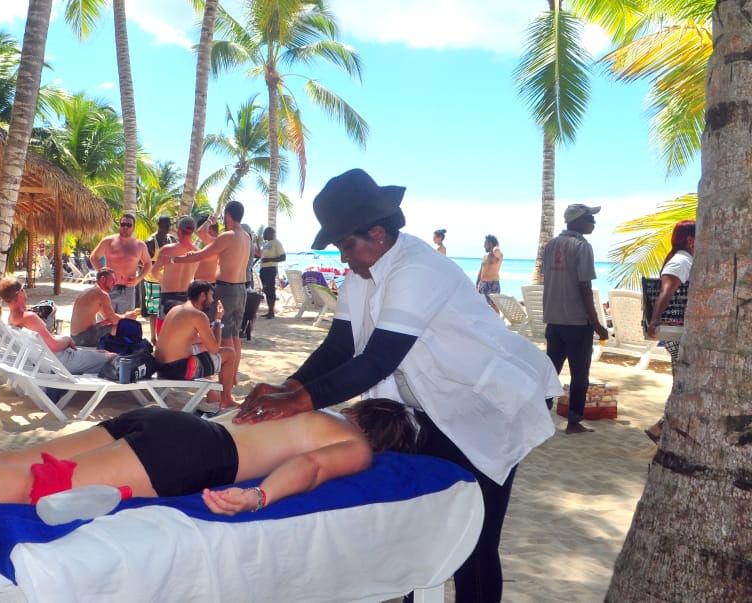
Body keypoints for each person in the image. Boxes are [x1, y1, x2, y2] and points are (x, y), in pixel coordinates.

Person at [233, 169, 560, 603]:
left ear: (377, 233)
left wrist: (296, 403)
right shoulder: (363, 274)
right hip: (435, 405)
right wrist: (286, 388)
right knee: (416, 520)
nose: (343, 258)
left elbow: (378, 360)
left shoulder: (418, 269)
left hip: (491, 404)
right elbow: (339, 346)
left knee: (475, 536)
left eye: (346, 245)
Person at [0, 394, 419, 555]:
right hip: (193, 456)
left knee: (14, 461)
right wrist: (257, 496)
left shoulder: (311, 409)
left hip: (169, 422)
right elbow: (312, 467)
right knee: (29, 487)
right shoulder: (355, 446)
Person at [172, 201, 252, 404]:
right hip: (241, 290)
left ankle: (224, 392)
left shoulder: (228, 236)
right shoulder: (246, 237)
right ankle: (231, 380)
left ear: (228, 215)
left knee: (224, 337)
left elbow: (202, 254)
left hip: (226, 289)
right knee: (234, 336)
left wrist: (176, 260)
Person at [542, 204, 610, 435]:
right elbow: (584, 287)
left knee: (550, 372)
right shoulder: (582, 246)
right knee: (580, 374)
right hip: (577, 322)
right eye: (590, 218)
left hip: (554, 320)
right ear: (578, 221)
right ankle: (573, 422)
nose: (593, 222)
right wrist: (597, 324)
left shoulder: (551, 245)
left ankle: (539, 415)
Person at [644, 220, 695, 443]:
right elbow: (666, 291)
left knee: (683, 383)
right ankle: (660, 428)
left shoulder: (683, 259)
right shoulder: (681, 261)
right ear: (691, 240)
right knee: (683, 384)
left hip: (681, 331)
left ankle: (661, 428)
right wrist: (654, 321)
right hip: (677, 333)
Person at [0, 277, 116, 374]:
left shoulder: (11, 318)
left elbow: (47, 342)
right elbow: (54, 346)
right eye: (23, 289)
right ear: (19, 293)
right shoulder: (29, 317)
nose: (25, 292)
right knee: (112, 357)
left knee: (101, 352)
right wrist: (67, 340)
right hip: (62, 362)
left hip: (47, 361)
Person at [154, 280, 236, 409]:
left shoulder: (176, 309)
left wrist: (207, 336)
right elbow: (215, 348)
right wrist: (218, 320)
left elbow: (190, 339)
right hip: (177, 370)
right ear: (203, 295)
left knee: (202, 349)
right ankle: (226, 399)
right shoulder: (198, 315)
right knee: (230, 353)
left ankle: (212, 395)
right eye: (211, 295)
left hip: (160, 366)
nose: (212, 300)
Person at [89, 213, 153, 314]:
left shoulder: (140, 245)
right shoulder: (108, 241)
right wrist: (103, 274)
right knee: (105, 320)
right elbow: (94, 257)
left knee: (125, 321)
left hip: (128, 290)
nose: (125, 227)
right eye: (123, 224)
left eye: (128, 225)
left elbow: (148, 264)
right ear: (119, 225)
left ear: (133, 227)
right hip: (108, 287)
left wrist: (138, 279)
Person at [149, 216, 199, 335]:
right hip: (187, 297)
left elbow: (154, 271)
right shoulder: (197, 252)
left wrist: (162, 281)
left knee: (163, 335)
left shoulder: (167, 250)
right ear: (192, 231)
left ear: (178, 230)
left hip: (168, 296)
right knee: (183, 335)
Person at [70, 267, 141, 347]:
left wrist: (123, 317)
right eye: (112, 280)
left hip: (76, 337)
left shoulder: (88, 291)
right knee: (126, 327)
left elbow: (108, 319)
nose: (114, 283)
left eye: (115, 281)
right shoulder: (101, 294)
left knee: (113, 325)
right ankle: (127, 350)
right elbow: (114, 320)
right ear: (103, 279)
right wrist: (126, 316)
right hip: (83, 338)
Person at [141, 216, 176, 340]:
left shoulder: (172, 239)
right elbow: (143, 262)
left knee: (168, 309)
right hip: (153, 281)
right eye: (164, 225)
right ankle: (153, 338)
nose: (167, 228)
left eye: (168, 225)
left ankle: (165, 336)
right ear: (158, 225)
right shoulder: (150, 242)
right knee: (153, 310)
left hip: (168, 281)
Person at [258, 227, 286, 319]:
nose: (264, 235)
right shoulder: (266, 244)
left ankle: (271, 312)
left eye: (265, 233)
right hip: (263, 269)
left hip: (270, 269)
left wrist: (269, 260)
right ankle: (269, 311)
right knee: (266, 290)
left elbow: (283, 257)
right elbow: (261, 256)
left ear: (271, 233)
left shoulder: (277, 243)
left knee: (270, 290)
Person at [475, 234, 503, 313]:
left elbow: (497, 251)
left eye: (485, 244)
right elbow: (480, 272)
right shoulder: (485, 257)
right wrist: (477, 284)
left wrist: (495, 247)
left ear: (490, 244)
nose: (484, 246)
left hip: (493, 284)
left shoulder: (498, 256)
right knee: (482, 306)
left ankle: (497, 320)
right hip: (483, 284)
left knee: (494, 306)